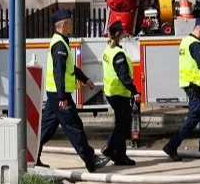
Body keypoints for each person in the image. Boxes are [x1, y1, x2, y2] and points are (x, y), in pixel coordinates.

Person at [39, 10, 108, 172]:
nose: (72, 25)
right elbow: (59, 72)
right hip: (59, 95)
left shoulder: (61, 41)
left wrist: (85, 79)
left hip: (55, 94)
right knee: (74, 126)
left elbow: (70, 68)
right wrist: (62, 96)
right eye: (70, 22)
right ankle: (91, 160)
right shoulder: (59, 45)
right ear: (63, 25)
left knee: (46, 129)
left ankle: (31, 156)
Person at [162, 20, 200, 161]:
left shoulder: (185, 42)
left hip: (190, 84)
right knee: (193, 118)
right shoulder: (197, 45)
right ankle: (172, 146)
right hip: (196, 85)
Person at [101, 21, 138, 166]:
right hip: (119, 93)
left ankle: (120, 155)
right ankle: (110, 148)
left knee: (121, 123)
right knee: (123, 125)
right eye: (122, 32)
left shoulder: (109, 50)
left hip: (112, 91)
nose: (124, 33)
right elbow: (124, 77)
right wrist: (134, 91)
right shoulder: (118, 54)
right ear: (119, 34)